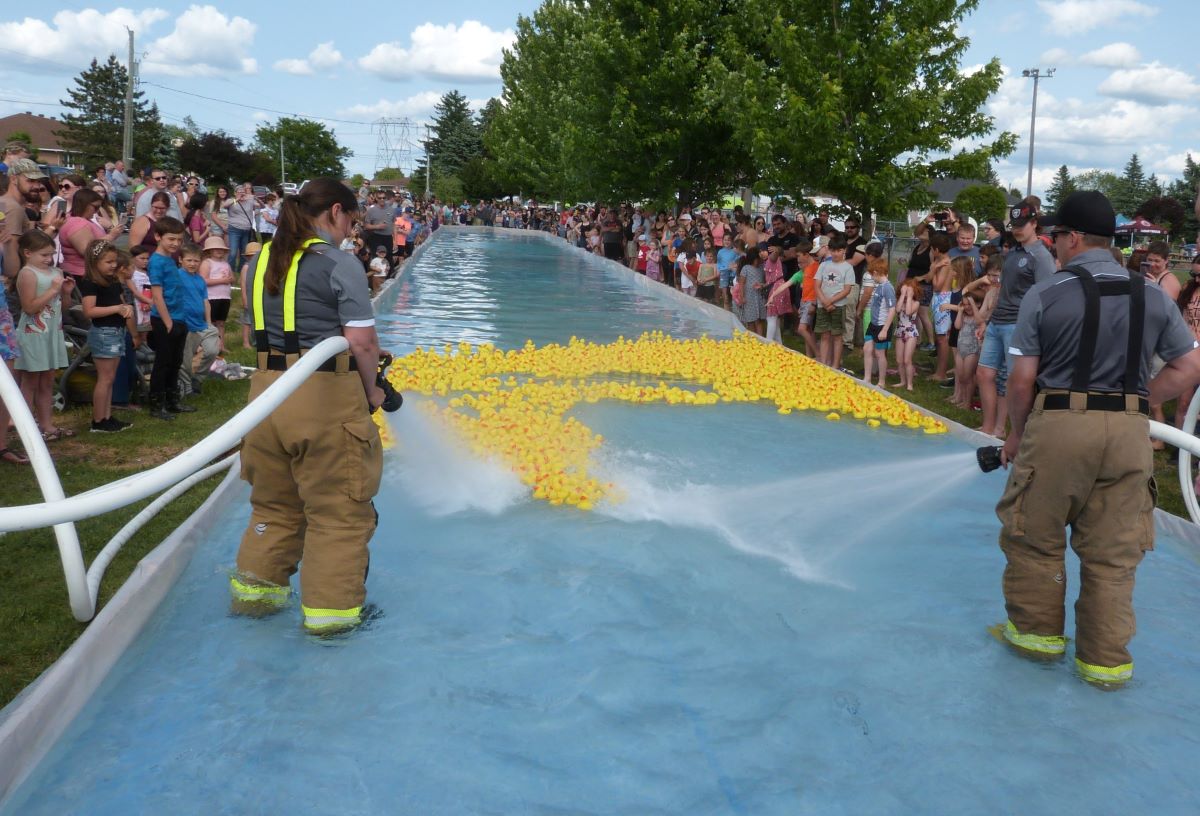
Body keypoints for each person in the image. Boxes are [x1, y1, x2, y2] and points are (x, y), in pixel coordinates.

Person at [995, 190, 1200, 688]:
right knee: (1113, 554)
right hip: (1129, 433)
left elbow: (1021, 382)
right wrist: (1137, 399)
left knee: (1035, 538)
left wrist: (1015, 435)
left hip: (1060, 428)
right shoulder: (1153, 294)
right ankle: (1105, 665)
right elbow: (1190, 365)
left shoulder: (1046, 294)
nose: (1054, 243)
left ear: (1071, 238)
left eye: (1056, 235)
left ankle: (1036, 642)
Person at [231, 178, 387, 635]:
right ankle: (332, 621)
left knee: (273, 509)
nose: (349, 231)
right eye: (351, 221)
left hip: (264, 396)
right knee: (338, 513)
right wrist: (374, 391)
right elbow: (361, 342)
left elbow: (250, 330)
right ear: (336, 212)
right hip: (321, 398)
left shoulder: (259, 262)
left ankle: (254, 603)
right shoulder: (339, 263)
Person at [977, 199, 1056, 437]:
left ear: (1034, 223)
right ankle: (989, 426)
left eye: (1023, 224)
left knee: (1014, 382)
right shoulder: (1011, 253)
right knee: (984, 374)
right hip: (998, 320)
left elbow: (1047, 295)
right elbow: (1003, 290)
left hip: (1018, 325)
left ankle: (1009, 430)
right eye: (1014, 224)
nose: (1017, 229)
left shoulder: (1041, 256)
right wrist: (988, 320)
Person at [15, 230, 73, 439]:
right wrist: (52, 290)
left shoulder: (56, 273)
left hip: (52, 333)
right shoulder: (27, 273)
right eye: (44, 255)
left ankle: (47, 425)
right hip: (34, 334)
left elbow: (62, 307)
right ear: (28, 253)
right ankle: (26, 425)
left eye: (52, 254)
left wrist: (65, 293)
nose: (49, 259)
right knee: (30, 382)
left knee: (47, 381)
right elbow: (29, 308)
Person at [78, 240, 134, 432]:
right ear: (95, 262)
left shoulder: (113, 280)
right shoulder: (90, 283)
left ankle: (107, 416)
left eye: (114, 261)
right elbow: (89, 311)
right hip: (104, 332)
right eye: (108, 262)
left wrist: (126, 309)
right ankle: (98, 420)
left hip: (117, 331)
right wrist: (117, 309)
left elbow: (121, 301)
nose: (113, 265)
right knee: (105, 378)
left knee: (110, 378)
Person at [146, 216, 193, 420]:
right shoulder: (156, 261)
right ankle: (157, 404)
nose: (175, 243)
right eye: (171, 239)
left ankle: (172, 400)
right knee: (163, 362)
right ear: (158, 237)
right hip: (165, 320)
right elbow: (157, 295)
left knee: (176, 361)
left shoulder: (170, 260)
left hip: (179, 317)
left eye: (179, 240)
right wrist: (168, 324)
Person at [177, 243, 220, 396]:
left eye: (196, 261)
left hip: (201, 324)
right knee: (186, 361)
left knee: (213, 350)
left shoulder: (200, 280)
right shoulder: (177, 276)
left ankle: (198, 378)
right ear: (181, 260)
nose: (193, 264)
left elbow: (205, 302)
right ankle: (187, 387)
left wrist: (208, 323)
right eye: (189, 260)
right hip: (186, 325)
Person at [814, 235, 854, 368]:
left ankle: (835, 365)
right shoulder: (824, 265)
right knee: (824, 335)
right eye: (833, 250)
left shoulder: (848, 268)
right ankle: (824, 364)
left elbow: (847, 290)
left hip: (838, 306)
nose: (836, 253)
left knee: (837, 336)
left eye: (839, 250)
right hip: (822, 305)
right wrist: (824, 302)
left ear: (844, 250)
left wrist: (830, 301)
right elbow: (816, 285)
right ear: (829, 250)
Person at [862, 258, 896, 387]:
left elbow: (892, 310)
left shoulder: (888, 288)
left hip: (882, 325)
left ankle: (882, 381)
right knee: (867, 348)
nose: (871, 277)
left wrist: (885, 329)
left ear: (876, 272)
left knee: (879, 353)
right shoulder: (880, 286)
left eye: (872, 274)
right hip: (873, 323)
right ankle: (867, 378)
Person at [199, 236, 233, 353]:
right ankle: (209, 346)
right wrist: (222, 281)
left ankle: (221, 345)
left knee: (221, 322)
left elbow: (232, 277)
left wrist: (229, 279)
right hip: (211, 297)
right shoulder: (207, 263)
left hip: (225, 297)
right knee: (211, 323)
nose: (219, 251)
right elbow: (203, 280)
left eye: (221, 249)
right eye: (215, 249)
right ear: (209, 251)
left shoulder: (226, 263)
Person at [892, 279, 921, 390]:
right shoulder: (899, 301)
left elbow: (908, 312)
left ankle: (910, 384)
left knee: (907, 360)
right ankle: (902, 381)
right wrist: (903, 295)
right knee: (899, 360)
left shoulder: (916, 303)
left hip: (911, 333)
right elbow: (898, 309)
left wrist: (909, 297)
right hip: (900, 332)